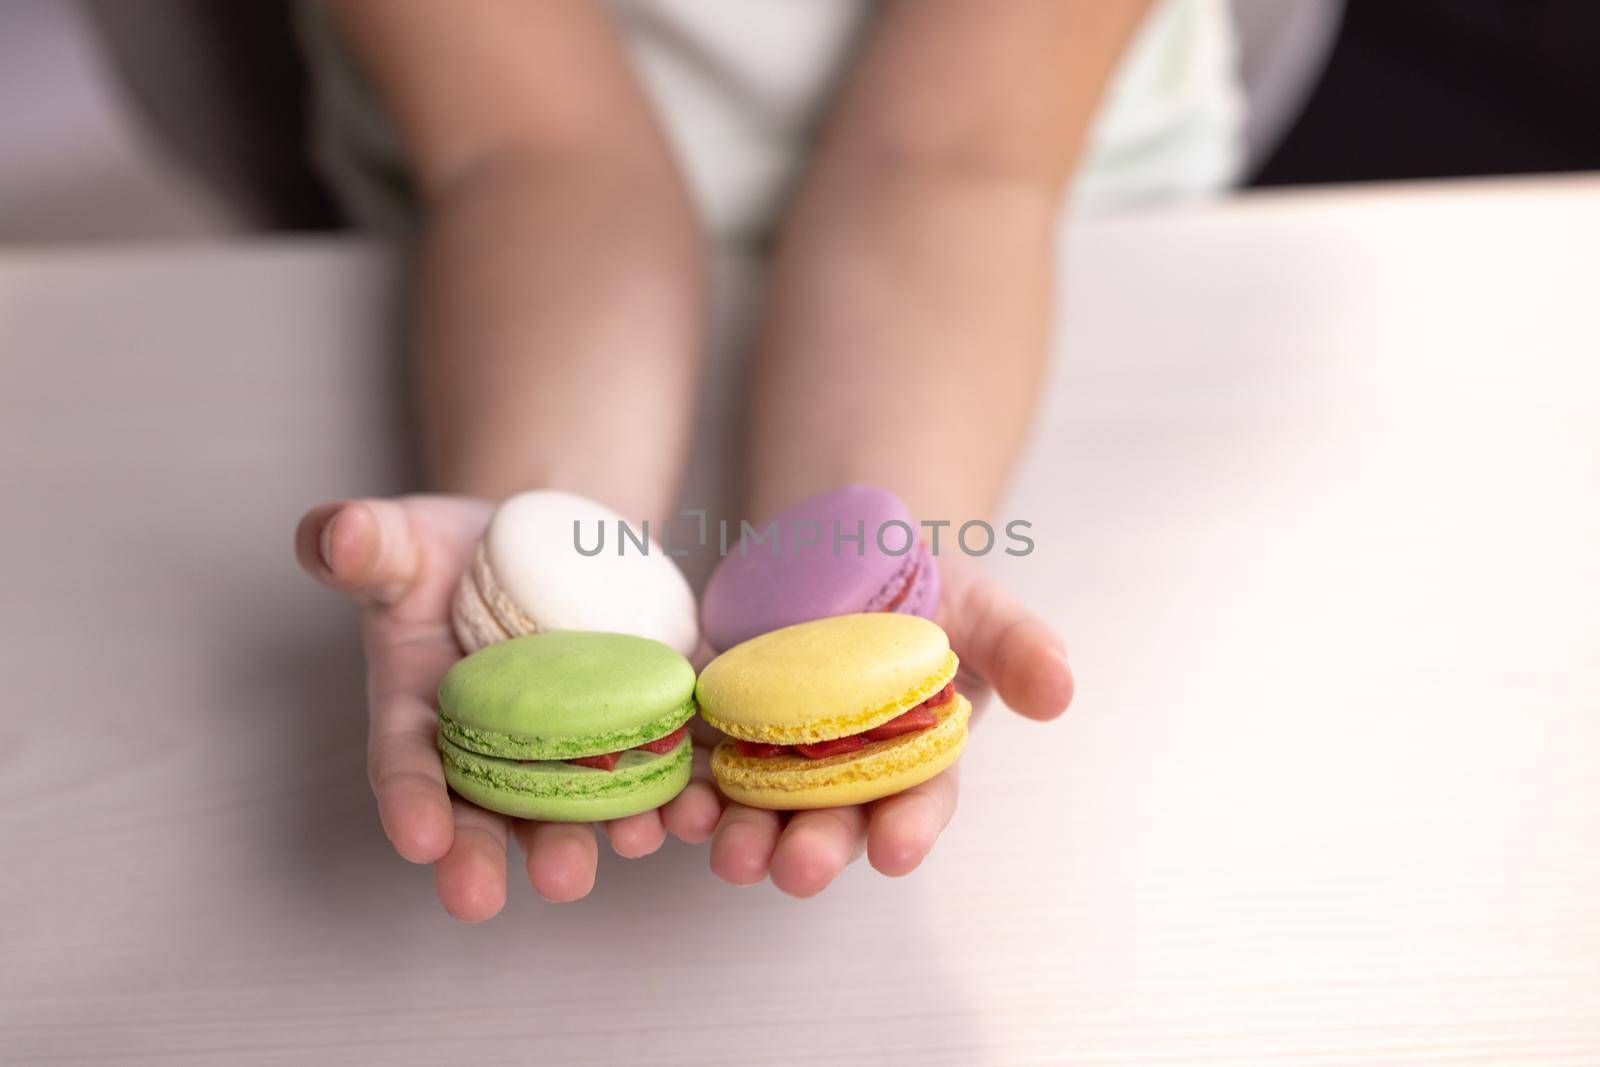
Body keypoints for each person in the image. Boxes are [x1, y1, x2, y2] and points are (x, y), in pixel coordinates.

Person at [292, 0, 1243, 919]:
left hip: (1049, 197)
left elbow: (960, 158)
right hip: (507, 211)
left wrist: (872, 530)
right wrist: (545, 518)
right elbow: (534, 151)